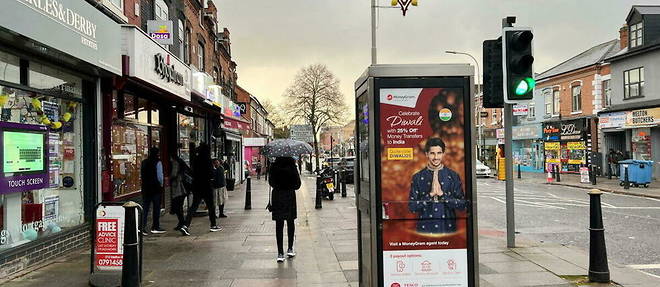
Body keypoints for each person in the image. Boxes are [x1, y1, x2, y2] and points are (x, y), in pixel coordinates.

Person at [408, 138, 468, 234]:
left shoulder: (453, 176)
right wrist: (430, 195)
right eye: (432, 153)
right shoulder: (417, 177)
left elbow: (462, 205)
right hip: (424, 232)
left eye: (439, 153)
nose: (436, 157)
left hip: (448, 230)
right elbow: (412, 207)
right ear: (427, 154)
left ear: (443, 154)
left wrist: (442, 195)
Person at [268, 157, 301, 262]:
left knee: (279, 224)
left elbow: (271, 182)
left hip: (277, 196)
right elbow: (298, 185)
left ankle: (280, 253)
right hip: (289, 196)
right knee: (290, 223)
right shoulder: (292, 166)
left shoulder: (274, 166)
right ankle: (290, 248)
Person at [185, 143, 222, 233]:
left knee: (194, 206)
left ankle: (185, 225)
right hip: (206, 186)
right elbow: (211, 174)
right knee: (211, 206)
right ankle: (213, 225)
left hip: (196, 185)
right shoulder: (208, 160)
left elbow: (192, 172)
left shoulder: (196, 159)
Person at [140, 147, 166, 235]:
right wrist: (161, 185)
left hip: (146, 188)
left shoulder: (144, 162)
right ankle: (155, 226)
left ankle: (142, 227)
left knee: (145, 209)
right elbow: (160, 176)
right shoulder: (158, 162)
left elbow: (142, 175)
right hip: (155, 189)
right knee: (156, 209)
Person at [170, 153, 191, 236]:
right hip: (183, 189)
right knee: (179, 207)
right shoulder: (182, 163)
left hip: (179, 188)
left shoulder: (175, 163)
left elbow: (174, 174)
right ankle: (181, 223)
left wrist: (169, 178)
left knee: (178, 207)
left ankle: (182, 223)